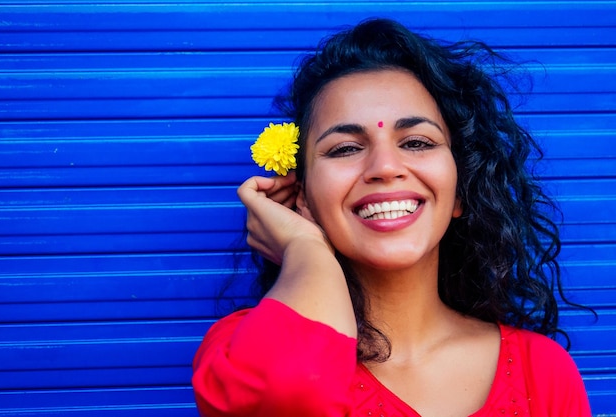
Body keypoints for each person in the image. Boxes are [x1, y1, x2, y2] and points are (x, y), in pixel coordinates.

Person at [191, 18, 592, 416]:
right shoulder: (240, 349)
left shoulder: (541, 372)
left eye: (416, 142)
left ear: (460, 191)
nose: (385, 166)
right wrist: (305, 247)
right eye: (345, 148)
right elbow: (287, 394)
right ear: (303, 197)